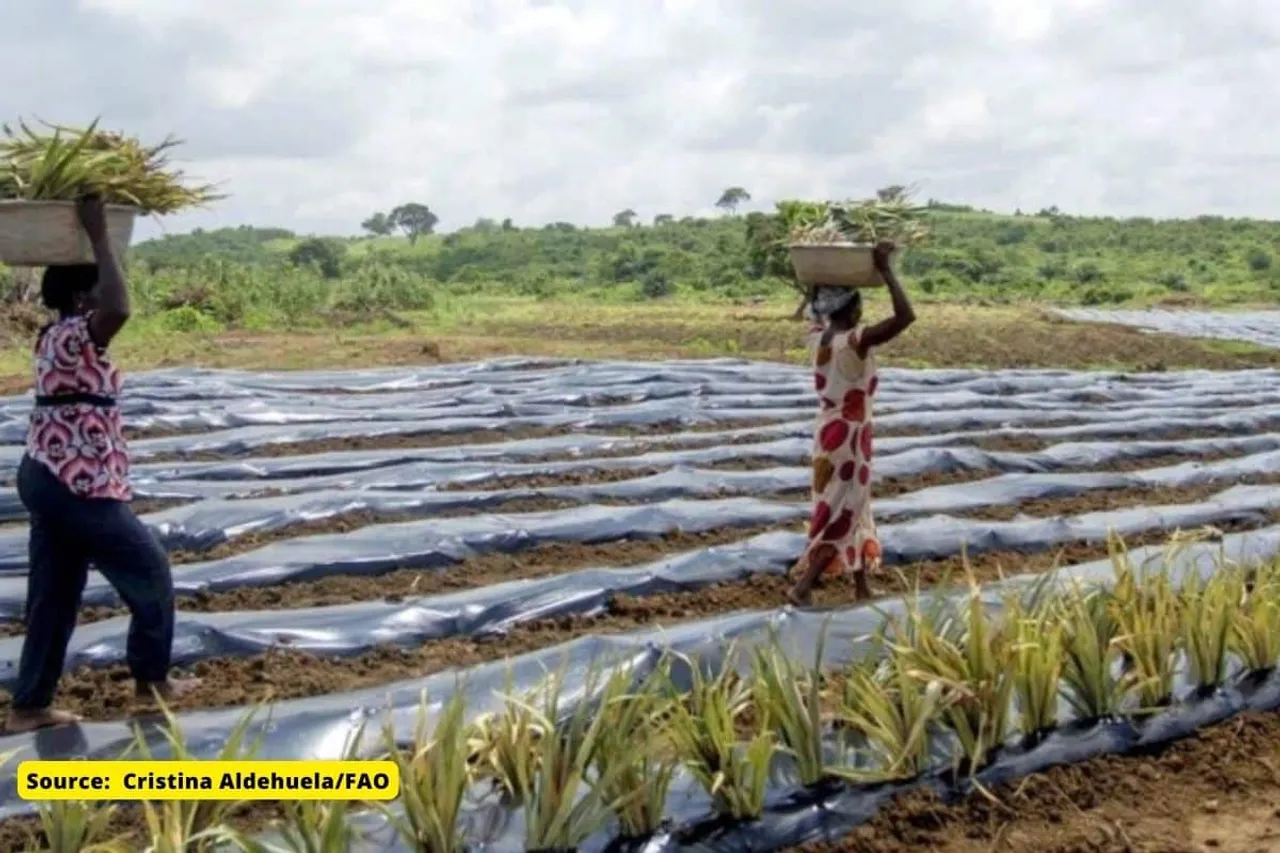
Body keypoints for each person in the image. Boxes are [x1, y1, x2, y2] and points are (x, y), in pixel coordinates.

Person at [4, 196, 198, 734]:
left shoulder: (60, 339)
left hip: (53, 476)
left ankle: (30, 705)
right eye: (93, 287)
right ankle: (151, 680)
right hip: (74, 484)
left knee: (55, 596)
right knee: (151, 571)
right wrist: (98, 233)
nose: (103, 294)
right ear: (78, 295)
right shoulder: (73, 333)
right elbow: (120, 308)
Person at [788, 240, 915, 606]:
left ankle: (861, 587)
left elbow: (816, 306)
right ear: (852, 308)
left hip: (832, 432)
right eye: (859, 302)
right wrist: (886, 270)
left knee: (853, 505)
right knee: (843, 510)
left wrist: (816, 274)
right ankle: (804, 587)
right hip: (847, 437)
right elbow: (906, 317)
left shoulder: (818, 338)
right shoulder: (854, 341)